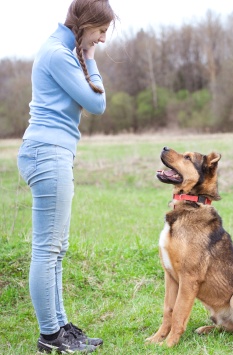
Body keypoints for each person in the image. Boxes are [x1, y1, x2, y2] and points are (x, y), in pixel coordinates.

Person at [17, 0, 118, 353]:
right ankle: (51, 336)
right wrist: (89, 57)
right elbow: (96, 104)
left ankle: (61, 328)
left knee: (56, 250)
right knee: (47, 250)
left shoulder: (60, 49)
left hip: (51, 152)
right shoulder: (59, 54)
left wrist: (86, 51)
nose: (103, 39)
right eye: (101, 31)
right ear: (86, 24)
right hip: (47, 153)